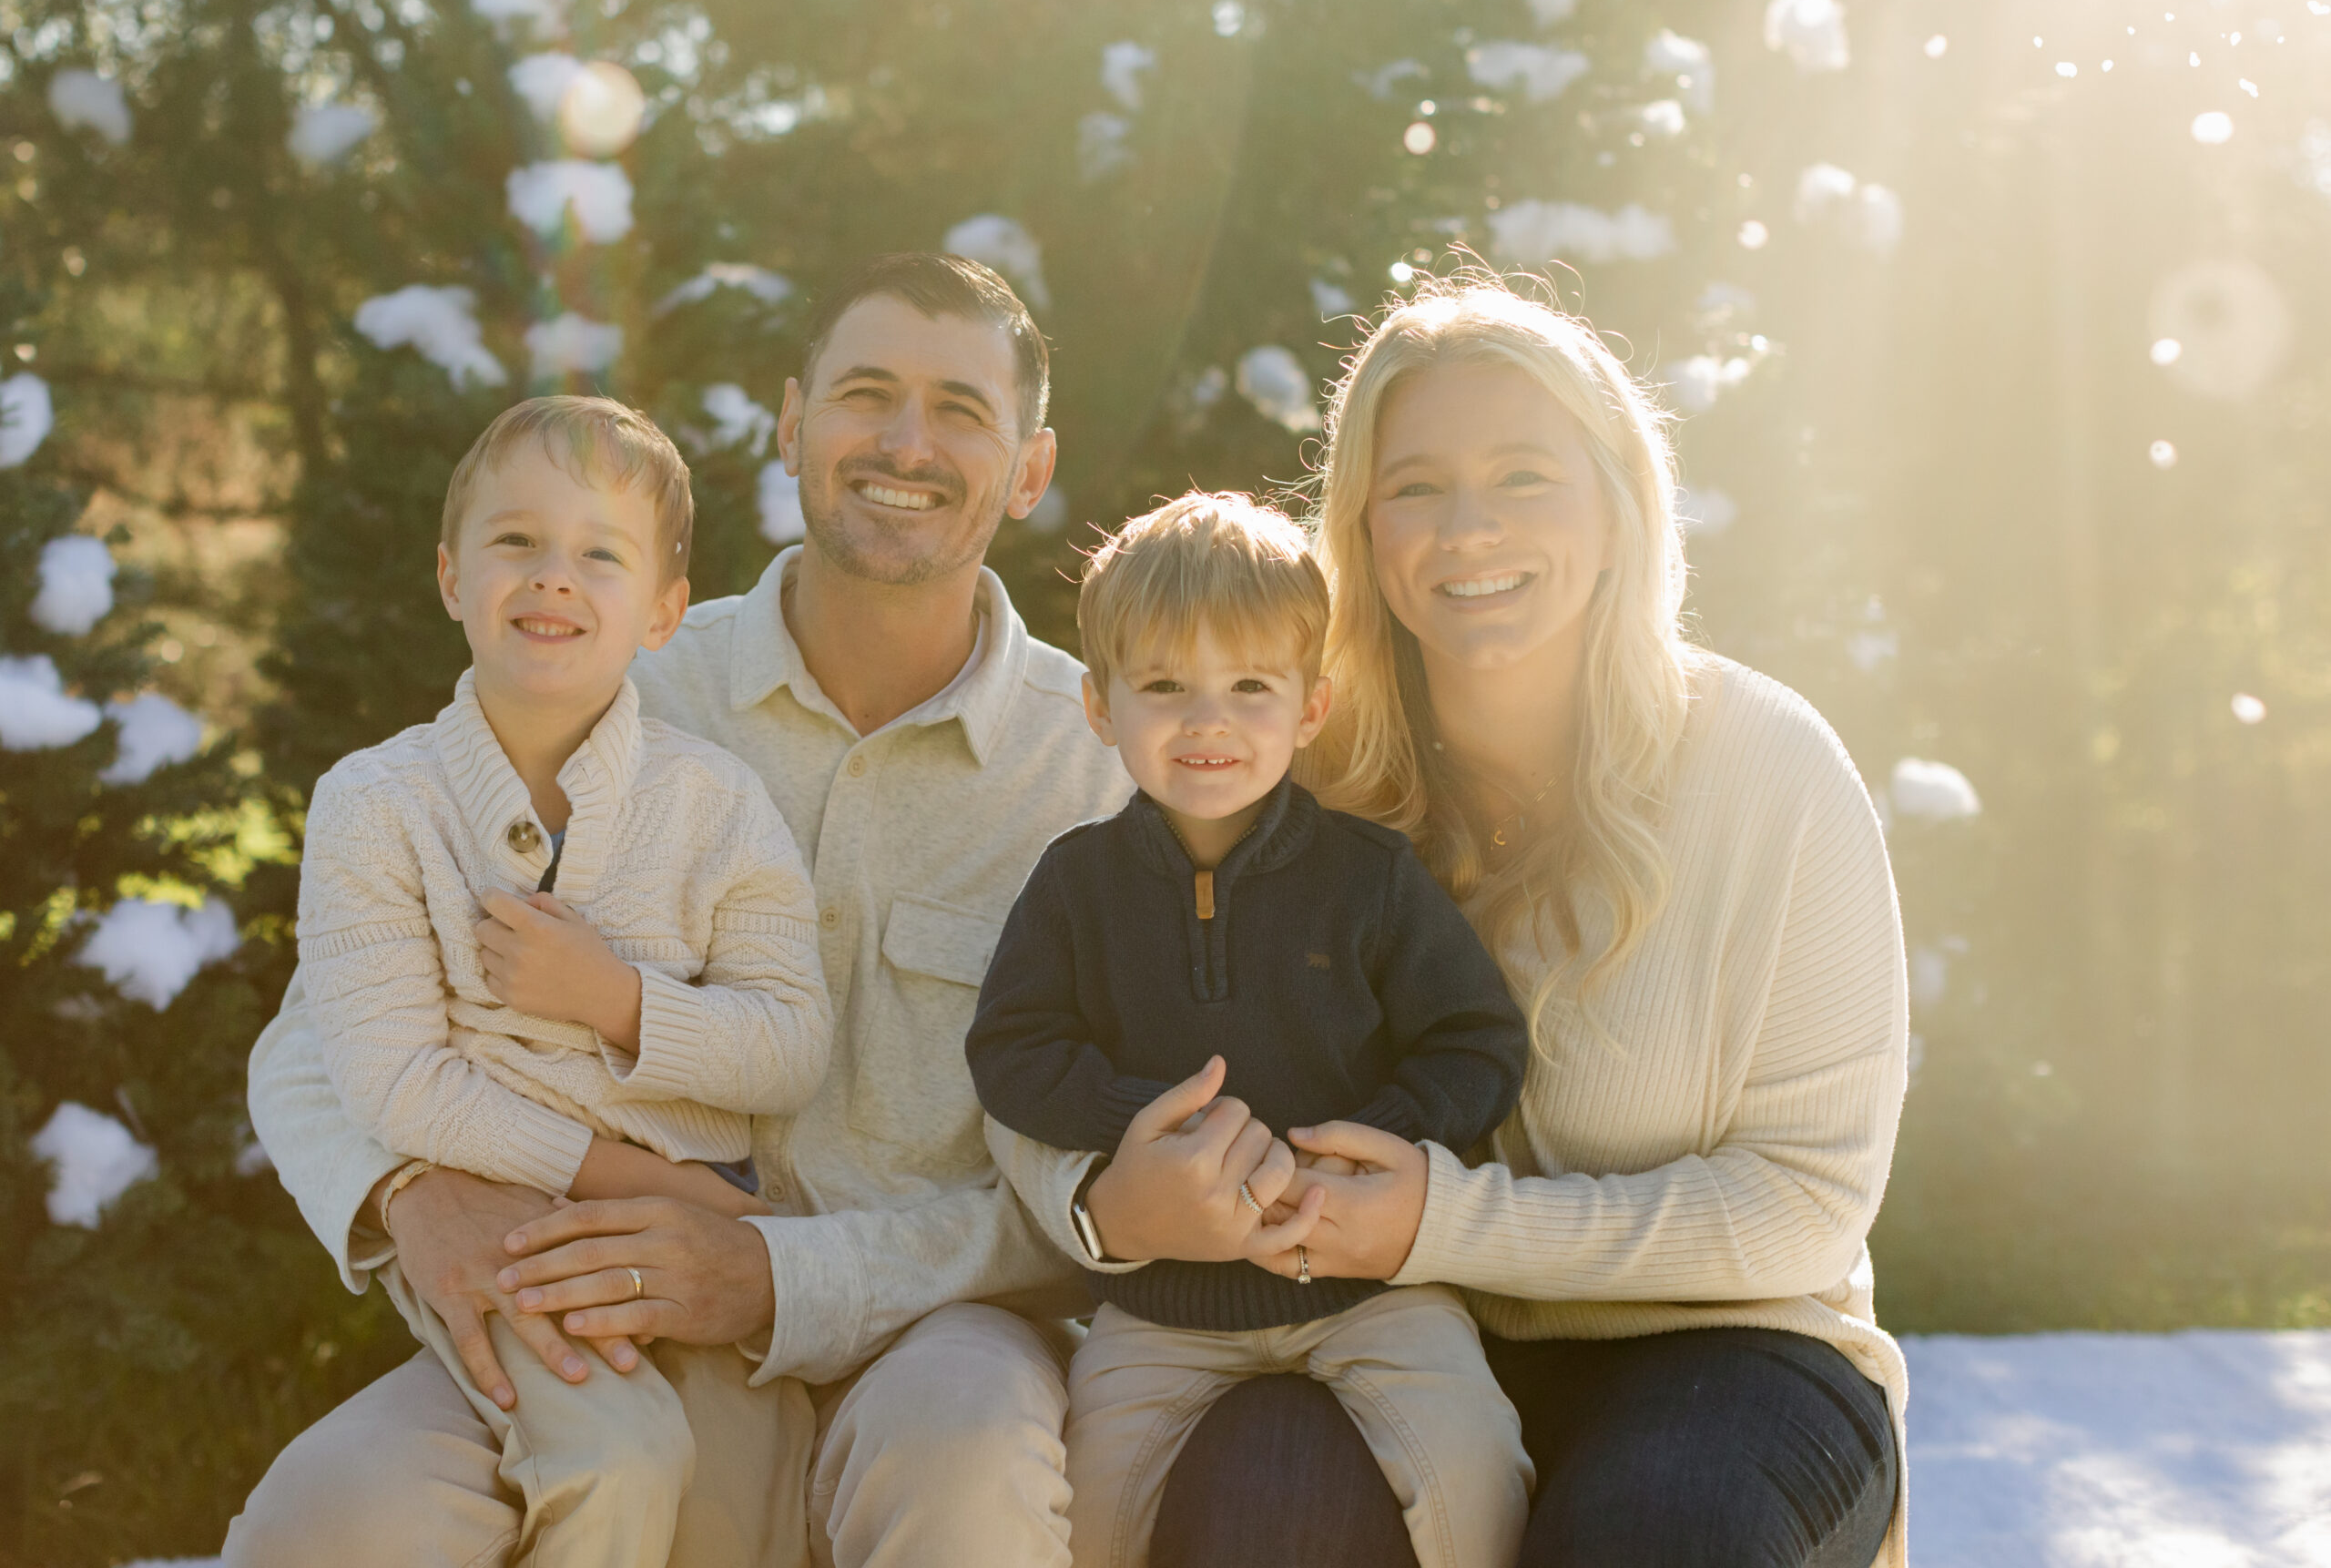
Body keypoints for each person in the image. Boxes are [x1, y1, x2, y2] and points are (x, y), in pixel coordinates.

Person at [228, 253, 1220, 1568]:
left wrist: (786, 1279)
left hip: (930, 1332)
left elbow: (1108, 1188)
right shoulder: (615, 668)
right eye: (867, 395)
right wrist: (407, 1192)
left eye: (961, 412)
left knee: (969, 1463)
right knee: (330, 1522)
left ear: (1031, 471)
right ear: (791, 423)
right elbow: (317, 1039)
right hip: (593, 1303)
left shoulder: (1101, 774)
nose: (906, 443)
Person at [992, 271, 1911, 1568]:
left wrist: (1444, 1221)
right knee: (1265, 1500)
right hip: (1375, 1326)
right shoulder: (1282, 766)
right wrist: (1106, 1207)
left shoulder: (1769, 769)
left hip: (1721, 1350)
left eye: (1525, 477)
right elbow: (1064, 1029)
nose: (1467, 529)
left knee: (1652, 1540)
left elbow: (1805, 1206)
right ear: (1363, 532)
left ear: (1617, 505)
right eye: (1415, 487)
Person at [291, 395, 834, 1567]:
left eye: (600, 552)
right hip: (515, 1238)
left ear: (664, 612)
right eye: (515, 542)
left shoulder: (714, 803)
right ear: (450, 575)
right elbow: (395, 1083)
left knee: (750, 1517)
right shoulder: (377, 806)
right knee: (610, 1458)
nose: (553, 577)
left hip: (700, 1255)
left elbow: (791, 1038)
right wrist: (634, 1179)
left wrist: (619, 1001)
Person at [966, 491, 1532, 1568]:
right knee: (1086, 1520)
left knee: (1474, 1462)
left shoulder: (1368, 878)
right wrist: (1147, 1124)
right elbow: (1012, 1049)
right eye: (1166, 686)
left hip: (1371, 1289)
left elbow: (1477, 1040)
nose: (1207, 722)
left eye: (1250, 687)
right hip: (1160, 1307)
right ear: (1099, 706)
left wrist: (1368, 1139)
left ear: (1310, 707)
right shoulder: (1076, 883)